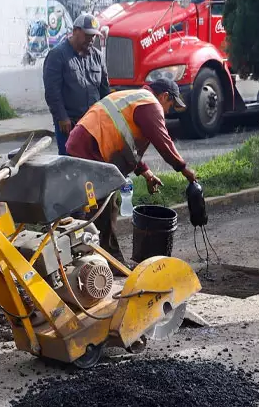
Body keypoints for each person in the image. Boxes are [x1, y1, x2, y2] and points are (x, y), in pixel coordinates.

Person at [65, 78, 198, 266]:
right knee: (96, 206)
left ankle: (99, 258)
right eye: (170, 104)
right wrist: (184, 169)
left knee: (101, 204)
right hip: (90, 145)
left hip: (85, 141)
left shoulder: (135, 99)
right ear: (164, 95)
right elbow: (163, 142)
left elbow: (126, 145)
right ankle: (93, 259)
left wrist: (146, 173)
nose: (168, 110)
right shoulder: (150, 104)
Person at [43, 13, 109, 155]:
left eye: (94, 36)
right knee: (70, 165)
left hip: (93, 124)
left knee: (94, 163)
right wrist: (62, 117)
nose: (91, 40)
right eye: (87, 35)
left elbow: (104, 91)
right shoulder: (57, 55)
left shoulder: (98, 56)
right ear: (75, 31)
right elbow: (52, 91)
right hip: (69, 124)